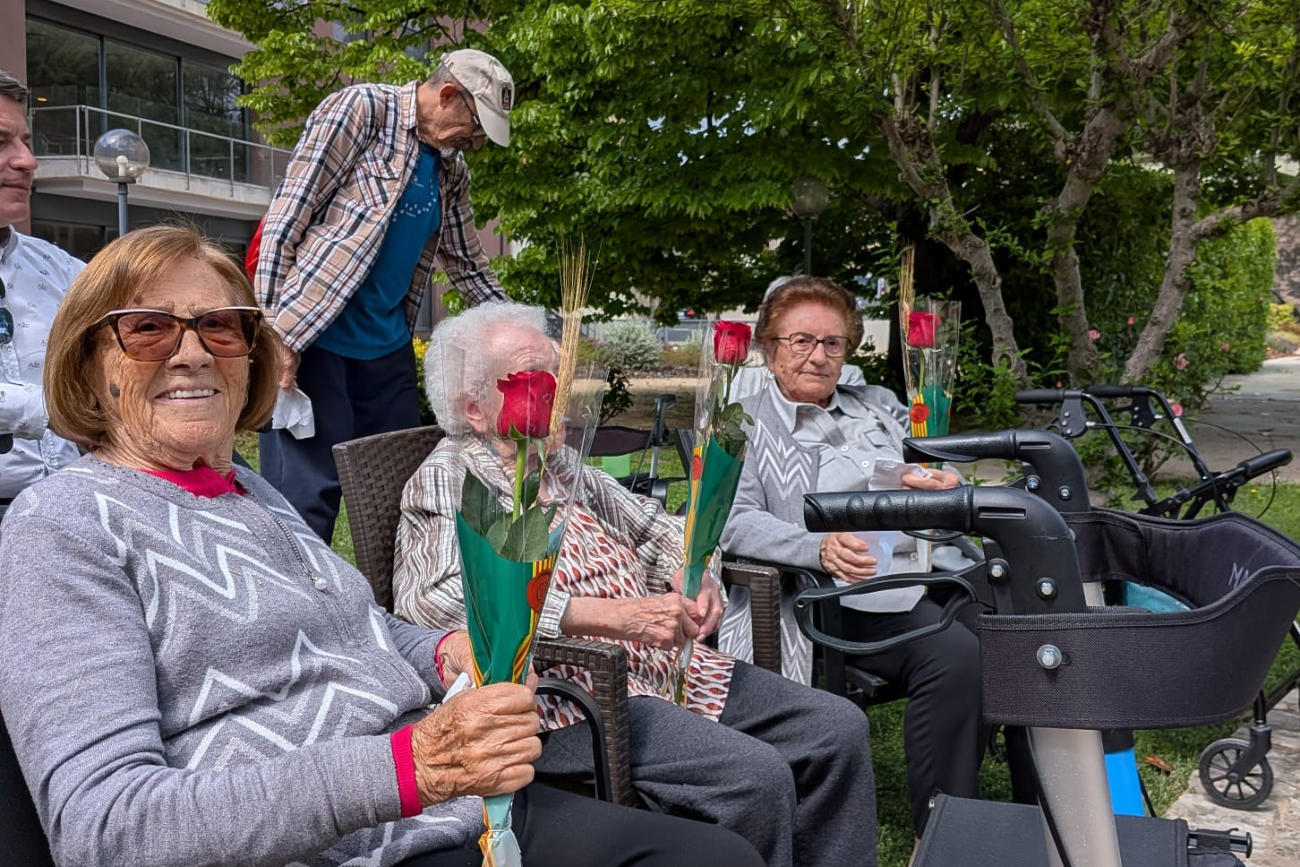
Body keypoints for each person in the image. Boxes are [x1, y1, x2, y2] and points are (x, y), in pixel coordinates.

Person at [0, 226, 764, 867]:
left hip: (447, 809)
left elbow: (357, 626)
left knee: (718, 858)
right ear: (91, 367)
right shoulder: (62, 524)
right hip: (330, 841)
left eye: (221, 326)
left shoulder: (249, 492)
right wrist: (411, 766)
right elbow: (104, 825)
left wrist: (440, 651)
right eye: (148, 327)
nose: (193, 352)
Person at [392, 301, 879, 867]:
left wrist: (693, 572)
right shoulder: (446, 481)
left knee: (837, 728)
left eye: (558, 375)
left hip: (667, 669)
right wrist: (607, 616)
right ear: (475, 409)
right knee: (753, 776)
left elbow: (662, 529)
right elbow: (430, 601)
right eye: (535, 378)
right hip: (573, 700)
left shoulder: (560, 465)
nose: (556, 394)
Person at [718, 276, 982, 843]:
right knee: (954, 657)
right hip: (836, 594)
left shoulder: (879, 405)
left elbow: (930, 464)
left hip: (928, 570)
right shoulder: (741, 421)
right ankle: (944, 837)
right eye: (801, 341)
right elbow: (731, 521)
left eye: (833, 343)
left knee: (1015, 638)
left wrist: (946, 483)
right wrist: (816, 547)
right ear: (769, 347)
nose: (818, 356)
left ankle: (1038, 799)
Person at [254, 49, 512, 543]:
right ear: (449, 95)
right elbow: (287, 218)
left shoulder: (450, 171)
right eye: (476, 127)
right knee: (304, 504)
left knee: (401, 498)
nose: (477, 144)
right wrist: (274, 335)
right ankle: (298, 615)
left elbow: (468, 265)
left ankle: (396, 616)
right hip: (314, 342)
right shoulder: (361, 111)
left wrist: (522, 334)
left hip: (387, 352)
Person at [0, 70, 83, 525]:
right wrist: (55, 409)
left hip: (79, 519)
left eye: (26, 142)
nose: (28, 161)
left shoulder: (62, 269)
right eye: (1, 140)